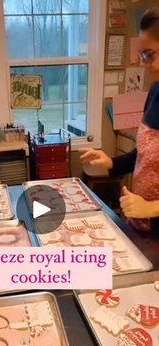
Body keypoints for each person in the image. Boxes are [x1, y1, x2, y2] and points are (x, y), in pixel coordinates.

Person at [79, 7, 159, 236]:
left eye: (149, 55)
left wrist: (153, 208)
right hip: (141, 225)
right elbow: (143, 155)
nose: (143, 63)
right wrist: (111, 163)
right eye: (141, 54)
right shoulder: (155, 92)